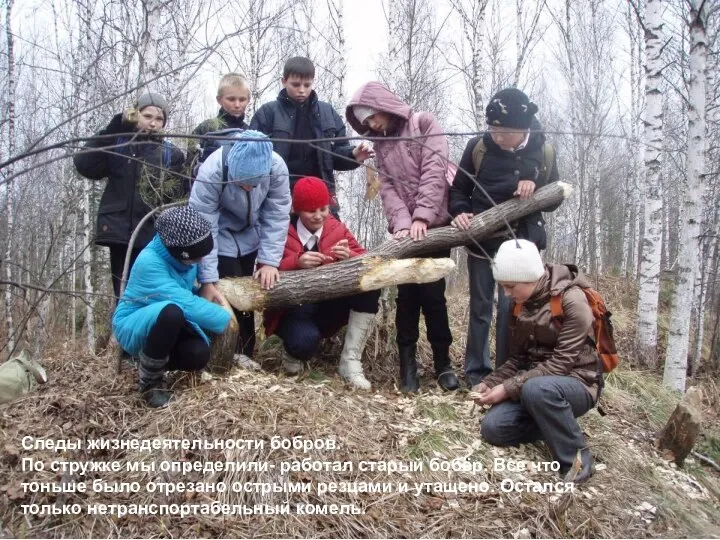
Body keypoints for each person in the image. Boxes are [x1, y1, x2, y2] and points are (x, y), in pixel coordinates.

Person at [346, 81, 459, 393]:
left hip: (435, 226)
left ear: (384, 106)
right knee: (407, 299)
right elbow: (389, 189)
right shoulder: (380, 144)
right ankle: (407, 367)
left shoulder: (423, 124)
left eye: (372, 117)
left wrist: (423, 216)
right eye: (365, 121)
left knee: (434, 297)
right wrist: (404, 224)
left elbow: (434, 171)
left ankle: (443, 363)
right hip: (404, 232)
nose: (371, 124)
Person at [449, 88, 560, 388]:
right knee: (481, 308)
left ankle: (506, 373)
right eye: (492, 129)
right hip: (483, 243)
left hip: (522, 244)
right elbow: (458, 189)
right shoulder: (478, 148)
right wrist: (460, 211)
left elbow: (554, 198)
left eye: (503, 131)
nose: (496, 136)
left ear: (523, 127)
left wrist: (535, 185)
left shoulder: (543, 150)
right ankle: (476, 374)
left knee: (513, 310)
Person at [475, 239, 599, 483]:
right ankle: (555, 422)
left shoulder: (572, 301)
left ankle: (578, 460)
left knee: (536, 388)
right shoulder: (520, 305)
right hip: (535, 386)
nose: (507, 294)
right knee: (494, 428)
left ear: (530, 277)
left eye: (511, 287)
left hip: (578, 382)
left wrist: (508, 389)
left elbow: (560, 365)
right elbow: (518, 358)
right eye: (504, 287)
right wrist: (491, 382)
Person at [263, 177, 379, 388]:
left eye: (323, 209)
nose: (318, 216)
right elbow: (264, 268)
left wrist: (350, 256)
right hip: (292, 311)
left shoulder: (337, 228)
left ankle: (350, 362)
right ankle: (293, 352)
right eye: (310, 211)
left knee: (369, 288)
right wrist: (295, 262)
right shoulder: (280, 232)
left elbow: (368, 260)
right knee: (304, 343)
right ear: (297, 210)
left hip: (329, 307)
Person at [113, 206, 231, 408]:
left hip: (167, 322)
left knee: (197, 355)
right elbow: (184, 303)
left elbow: (182, 292)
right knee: (172, 311)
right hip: (134, 324)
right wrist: (225, 315)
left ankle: (149, 357)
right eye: (196, 257)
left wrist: (205, 289)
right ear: (180, 252)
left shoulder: (183, 255)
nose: (200, 261)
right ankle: (150, 384)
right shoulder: (149, 262)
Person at [73, 92, 187, 301]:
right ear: (136, 115)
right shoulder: (118, 144)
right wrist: (116, 126)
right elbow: (85, 165)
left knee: (154, 293)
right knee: (125, 294)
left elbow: (177, 197)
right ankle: (125, 331)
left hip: (154, 235)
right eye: (147, 116)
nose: (153, 123)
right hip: (120, 233)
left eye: (159, 119)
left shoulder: (171, 154)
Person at [189, 130, 290, 361]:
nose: (248, 188)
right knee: (224, 294)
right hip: (218, 236)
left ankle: (245, 354)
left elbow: (276, 215)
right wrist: (207, 279)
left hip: (250, 236)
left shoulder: (276, 167)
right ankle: (223, 355)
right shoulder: (213, 171)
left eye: (254, 185)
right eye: (242, 183)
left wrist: (268, 262)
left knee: (247, 299)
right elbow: (205, 227)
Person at [250, 56, 373, 215]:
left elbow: (334, 156)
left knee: (335, 238)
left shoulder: (327, 112)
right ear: (283, 81)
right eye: (295, 85)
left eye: (307, 85)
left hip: (321, 195)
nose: (302, 90)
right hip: (280, 196)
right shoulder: (267, 113)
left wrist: (353, 155)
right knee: (282, 239)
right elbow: (254, 156)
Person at [187, 73, 251, 169]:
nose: (237, 104)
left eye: (242, 99)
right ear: (219, 99)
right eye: (231, 99)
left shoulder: (250, 132)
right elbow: (190, 168)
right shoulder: (206, 128)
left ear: (248, 100)